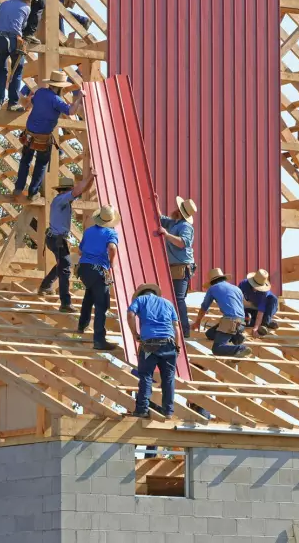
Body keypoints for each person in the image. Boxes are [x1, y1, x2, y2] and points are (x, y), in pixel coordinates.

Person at [15, 71, 82, 199]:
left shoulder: (40, 92)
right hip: (42, 138)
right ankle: (32, 192)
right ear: (60, 86)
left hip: (29, 134)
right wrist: (79, 98)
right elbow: (71, 111)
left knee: (25, 161)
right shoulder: (56, 100)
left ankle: (18, 188)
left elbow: (31, 102)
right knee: (41, 164)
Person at [38, 169, 95, 311]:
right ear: (67, 190)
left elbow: (80, 190)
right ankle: (65, 303)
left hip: (55, 238)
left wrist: (91, 179)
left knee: (63, 264)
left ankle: (46, 285)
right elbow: (77, 191)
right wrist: (89, 176)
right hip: (56, 239)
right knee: (65, 268)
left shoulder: (62, 200)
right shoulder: (62, 199)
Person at [127, 283, 179, 417]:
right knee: (168, 378)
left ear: (140, 294)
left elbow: (130, 314)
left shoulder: (140, 300)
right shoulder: (168, 303)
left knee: (146, 376)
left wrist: (134, 333)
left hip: (150, 344)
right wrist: (177, 347)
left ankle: (142, 409)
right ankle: (168, 411)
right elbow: (176, 327)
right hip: (169, 343)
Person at [76, 206, 120, 351]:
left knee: (89, 295)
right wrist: (111, 264)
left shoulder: (88, 231)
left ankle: (82, 325)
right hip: (98, 269)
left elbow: (80, 250)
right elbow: (113, 247)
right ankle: (99, 340)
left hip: (84, 269)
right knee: (102, 305)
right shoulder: (110, 232)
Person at [154, 194, 196, 338]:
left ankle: (184, 329)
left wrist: (166, 235)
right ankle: (178, 327)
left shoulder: (185, 226)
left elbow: (182, 243)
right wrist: (156, 202)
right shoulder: (175, 223)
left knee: (178, 299)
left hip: (181, 266)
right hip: (175, 266)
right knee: (174, 298)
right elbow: (160, 218)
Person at [0, 0, 34, 110]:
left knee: (1, 71)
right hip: (15, 40)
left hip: (0, 39)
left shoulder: (3, 4)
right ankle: (13, 103)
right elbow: (23, 26)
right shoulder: (26, 8)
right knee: (17, 71)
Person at [194, 268, 252, 358]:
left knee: (217, 349)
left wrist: (197, 322)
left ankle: (240, 348)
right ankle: (236, 336)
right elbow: (239, 306)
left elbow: (204, 307)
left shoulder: (213, 289)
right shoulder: (236, 288)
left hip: (230, 321)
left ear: (212, 282)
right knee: (209, 334)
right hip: (242, 322)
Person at [239, 268, 279, 336]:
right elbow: (237, 299)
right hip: (252, 306)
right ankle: (268, 323)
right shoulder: (243, 284)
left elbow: (261, 311)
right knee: (245, 319)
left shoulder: (264, 293)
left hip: (266, 309)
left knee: (273, 299)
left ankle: (265, 324)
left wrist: (256, 328)